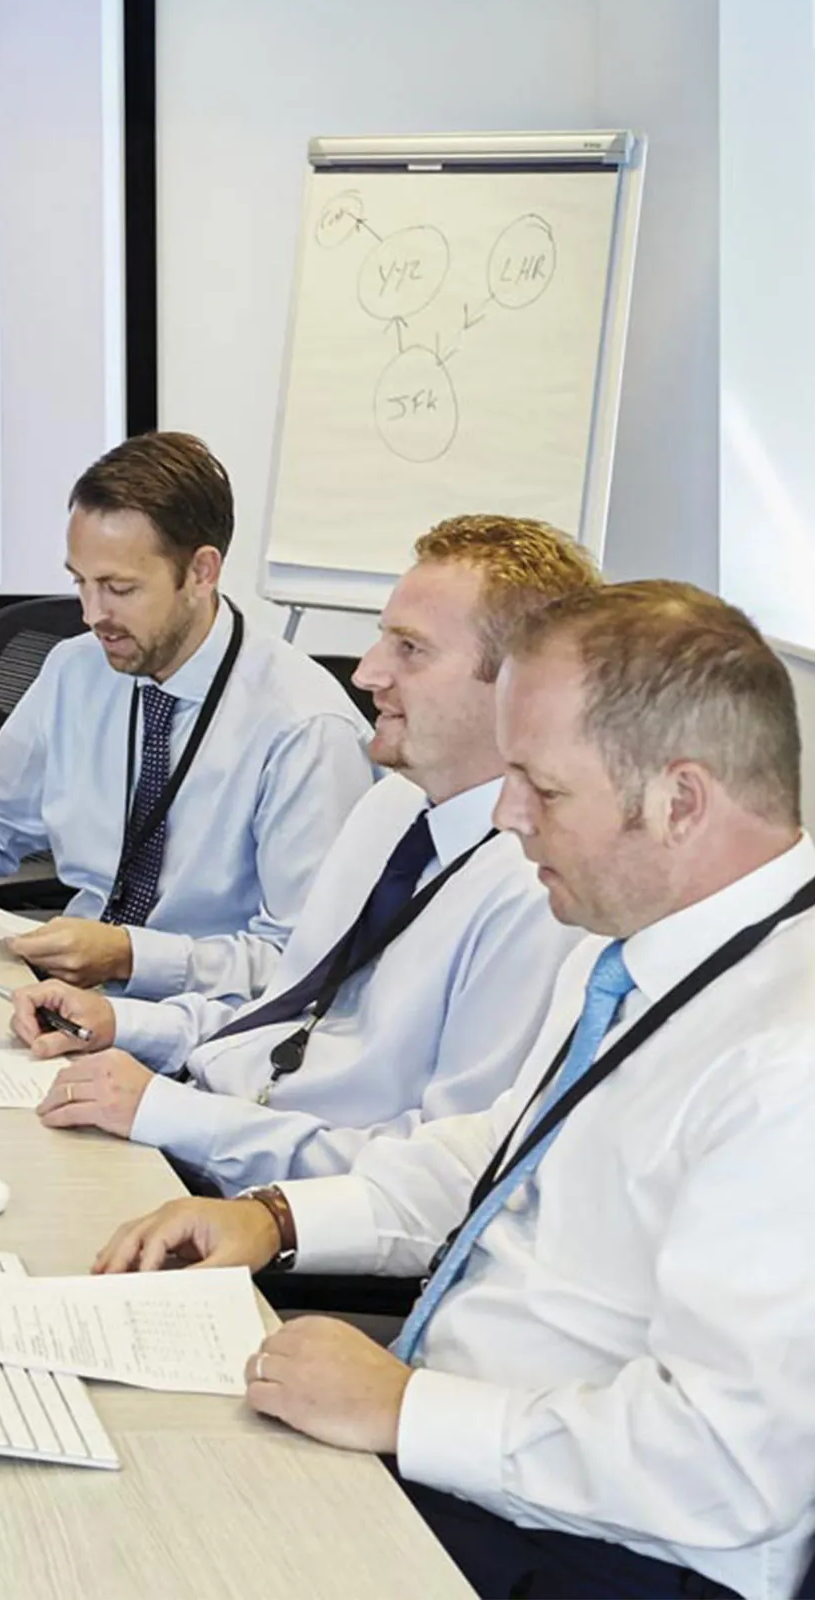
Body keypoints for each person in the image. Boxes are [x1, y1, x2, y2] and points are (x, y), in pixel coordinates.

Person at [92, 582, 815, 1600]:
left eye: (543, 789)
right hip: (477, 1449)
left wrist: (403, 1410)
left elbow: (727, 1467)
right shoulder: (634, 947)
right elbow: (494, 1160)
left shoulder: (785, 1062)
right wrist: (273, 1218)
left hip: (607, 1552)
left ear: (679, 800)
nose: (509, 820)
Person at [13, 517, 595, 1192]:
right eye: (383, 638)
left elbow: (441, 1177)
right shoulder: (394, 807)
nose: (369, 672)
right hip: (209, 1127)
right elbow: (287, 1009)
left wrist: (172, 1115)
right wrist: (128, 1024)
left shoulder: (540, 895)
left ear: (519, 688)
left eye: (410, 649)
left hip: (271, 1199)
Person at [0, 432, 374, 1002]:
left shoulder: (305, 730)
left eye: (119, 588)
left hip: (206, 1029)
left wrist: (132, 956)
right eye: (79, 581)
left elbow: (303, 959)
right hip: (64, 995)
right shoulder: (76, 671)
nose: (90, 614)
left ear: (202, 573)